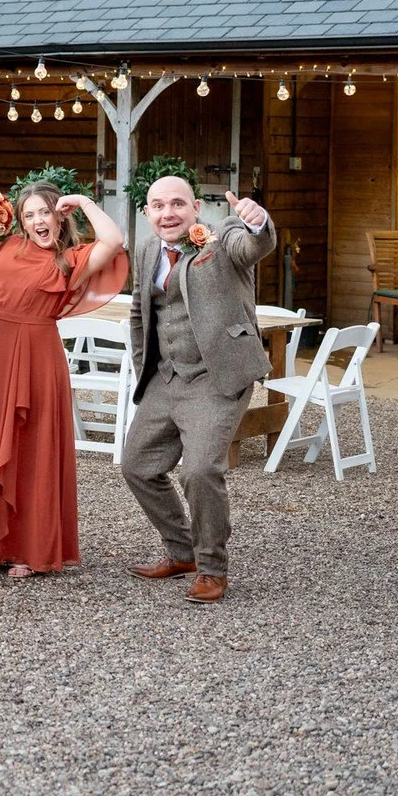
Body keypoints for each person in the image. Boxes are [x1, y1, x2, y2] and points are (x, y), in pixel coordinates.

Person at [0, 181, 126, 578]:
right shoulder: (10, 246)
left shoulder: (73, 258)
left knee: (32, 447)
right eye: (28, 215)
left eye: (44, 212)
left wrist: (82, 202)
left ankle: (28, 548)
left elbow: (113, 240)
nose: (37, 221)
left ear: (60, 217)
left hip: (36, 353)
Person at [122, 178, 276, 605]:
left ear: (194, 208)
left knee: (199, 471)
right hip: (165, 377)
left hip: (216, 376)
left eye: (176, 204)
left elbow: (254, 247)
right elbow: (139, 311)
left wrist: (257, 222)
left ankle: (211, 568)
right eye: (157, 205)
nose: (167, 213)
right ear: (148, 212)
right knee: (137, 465)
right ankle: (181, 551)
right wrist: (146, 369)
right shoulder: (147, 249)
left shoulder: (222, 237)